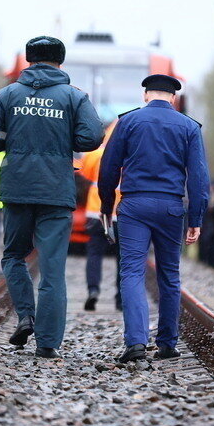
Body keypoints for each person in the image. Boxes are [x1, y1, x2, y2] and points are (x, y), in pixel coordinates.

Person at [0, 36, 104, 359]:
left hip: (17, 187)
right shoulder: (74, 97)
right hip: (56, 190)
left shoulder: (7, 95)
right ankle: (47, 343)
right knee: (52, 267)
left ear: (29, 61)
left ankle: (25, 316)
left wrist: (12, 142)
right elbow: (93, 137)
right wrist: (64, 139)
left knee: (14, 255)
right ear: (60, 62)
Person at [99, 74, 210, 363]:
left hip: (134, 205)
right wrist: (196, 218)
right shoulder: (189, 127)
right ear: (173, 98)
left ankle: (135, 343)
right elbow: (198, 178)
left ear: (146, 95)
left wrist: (107, 206)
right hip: (172, 208)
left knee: (132, 272)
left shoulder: (128, 122)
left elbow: (108, 167)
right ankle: (167, 344)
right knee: (169, 275)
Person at [77, 122, 121, 311]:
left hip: (97, 213)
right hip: (122, 214)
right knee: (124, 256)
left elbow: (84, 174)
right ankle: (121, 298)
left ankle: (93, 290)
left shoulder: (96, 155)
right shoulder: (131, 155)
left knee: (95, 252)